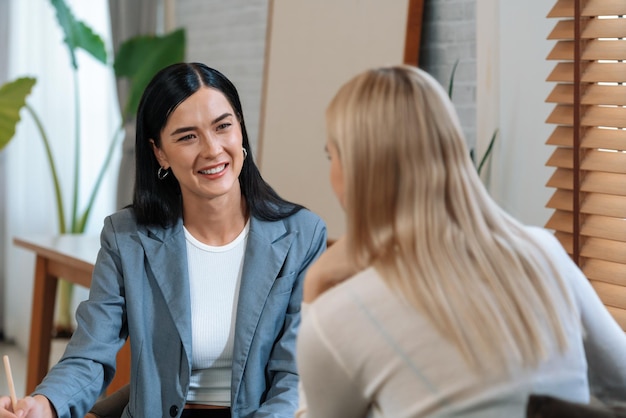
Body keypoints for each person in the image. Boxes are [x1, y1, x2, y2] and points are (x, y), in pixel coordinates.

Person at [295, 65, 626, 417]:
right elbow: (619, 382)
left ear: (358, 171)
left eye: (332, 157)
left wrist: (315, 289)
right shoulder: (543, 253)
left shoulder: (340, 316)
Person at [0, 62, 326, 418]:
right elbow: (90, 354)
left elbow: (293, 377)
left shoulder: (302, 235)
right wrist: (44, 404)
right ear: (160, 153)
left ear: (240, 130)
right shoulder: (126, 237)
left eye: (223, 126)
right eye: (187, 136)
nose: (213, 149)